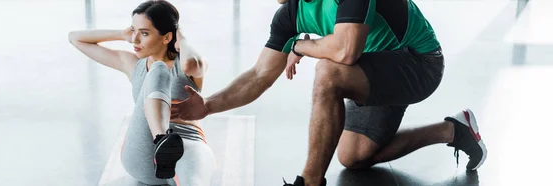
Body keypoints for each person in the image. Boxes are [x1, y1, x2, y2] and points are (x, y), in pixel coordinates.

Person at [171, 0, 487, 185]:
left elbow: (346, 51)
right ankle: (455, 130)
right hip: (374, 70)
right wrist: (208, 106)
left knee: (329, 71)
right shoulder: (289, 15)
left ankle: (309, 183)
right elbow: (259, 74)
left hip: (419, 64)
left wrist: (300, 46)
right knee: (353, 157)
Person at [68, 0, 214, 185]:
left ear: (167, 37)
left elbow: (192, 63)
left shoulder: (186, 65)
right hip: (145, 148)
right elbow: (75, 38)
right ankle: (162, 139)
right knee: (158, 69)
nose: (135, 40)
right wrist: (122, 35)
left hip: (187, 141)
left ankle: (166, 149)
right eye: (133, 31)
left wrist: (182, 38)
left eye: (144, 33)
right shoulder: (132, 64)